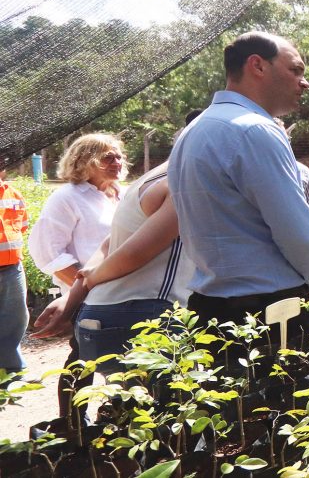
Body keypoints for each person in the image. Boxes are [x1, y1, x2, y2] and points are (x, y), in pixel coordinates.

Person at [168, 31, 309, 349]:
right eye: (295, 70)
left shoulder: (194, 130)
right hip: (268, 315)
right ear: (257, 65)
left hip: (209, 307)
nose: (305, 82)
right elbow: (297, 231)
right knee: (282, 399)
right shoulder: (255, 129)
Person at [32, 162, 193, 375]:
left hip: (100, 309)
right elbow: (135, 253)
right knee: (164, 402)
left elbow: (109, 245)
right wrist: (91, 278)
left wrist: (72, 298)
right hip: (146, 309)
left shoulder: (143, 182)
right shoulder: (182, 184)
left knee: (122, 402)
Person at [28, 133, 125, 416]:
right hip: (88, 292)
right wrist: (86, 287)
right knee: (83, 355)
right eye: (107, 157)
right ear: (84, 161)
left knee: (119, 355)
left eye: (119, 156)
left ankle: (116, 420)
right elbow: (48, 252)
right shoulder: (68, 197)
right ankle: (74, 426)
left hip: (122, 290)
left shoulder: (122, 193)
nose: (116, 162)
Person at [275, 118, 309, 236]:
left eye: (287, 138)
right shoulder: (245, 173)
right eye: (277, 138)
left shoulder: (302, 171)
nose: (285, 142)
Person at [0, 167, 30, 376]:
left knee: (15, 319)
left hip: (12, 269)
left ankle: (12, 370)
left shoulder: (14, 194)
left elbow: (23, 226)